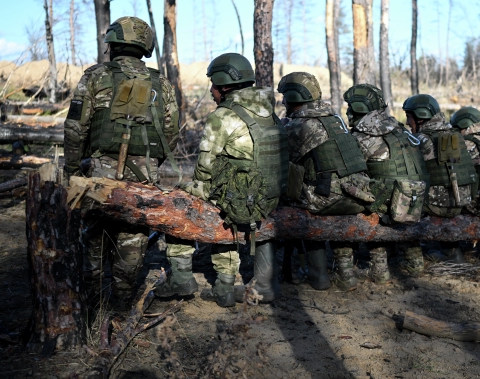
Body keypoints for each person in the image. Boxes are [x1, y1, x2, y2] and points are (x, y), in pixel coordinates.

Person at [63, 16, 188, 303]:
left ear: (113, 44)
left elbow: (75, 128)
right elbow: (172, 134)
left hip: (98, 173)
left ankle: (92, 307)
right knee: (132, 239)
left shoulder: (94, 77)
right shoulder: (162, 84)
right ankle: (120, 306)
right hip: (144, 176)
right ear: (145, 46)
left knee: (94, 237)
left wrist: (72, 170)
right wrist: (151, 161)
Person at [178, 53, 288, 307]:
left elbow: (204, 169)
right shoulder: (268, 111)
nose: (211, 92)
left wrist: (193, 187)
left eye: (213, 86)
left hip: (243, 200)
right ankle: (265, 283)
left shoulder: (223, 116)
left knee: (180, 196)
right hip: (274, 194)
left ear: (225, 85)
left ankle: (206, 280)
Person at [278, 72, 374, 290]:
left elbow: (280, 160)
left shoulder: (300, 126)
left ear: (294, 97)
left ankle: (318, 276)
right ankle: (343, 274)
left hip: (328, 197)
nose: (283, 101)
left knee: (290, 200)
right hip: (359, 192)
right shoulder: (335, 119)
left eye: (285, 96)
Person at [344, 84, 429, 276]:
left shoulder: (362, 137)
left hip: (389, 206)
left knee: (353, 189)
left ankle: (379, 268)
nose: (348, 111)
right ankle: (415, 263)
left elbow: (350, 174)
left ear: (359, 108)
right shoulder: (399, 130)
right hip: (417, 200)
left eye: (350, 106)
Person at [401, 94, 477, 264]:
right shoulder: (455, 134)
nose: (407, 122)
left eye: (409, 117)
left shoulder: (421, 140)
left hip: (440, 206)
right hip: (462, 201)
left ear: (420, 117)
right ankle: (452, 250)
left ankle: (410, 256)